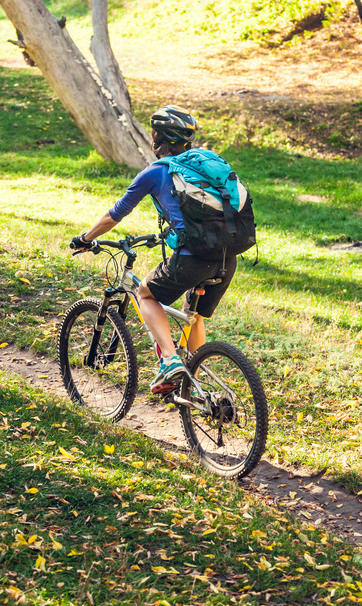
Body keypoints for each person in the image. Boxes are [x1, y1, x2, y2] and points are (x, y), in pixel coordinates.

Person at [71, 105, 237, 393]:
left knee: (144, 293)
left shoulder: (156, 172)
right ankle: (197, 388)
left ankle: (171, 361)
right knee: (192, 314)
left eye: (154, 133)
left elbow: (114, 215)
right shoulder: (206, 166)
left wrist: (86, 238)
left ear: (158, 139)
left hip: (192, 259)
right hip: (226, 257)